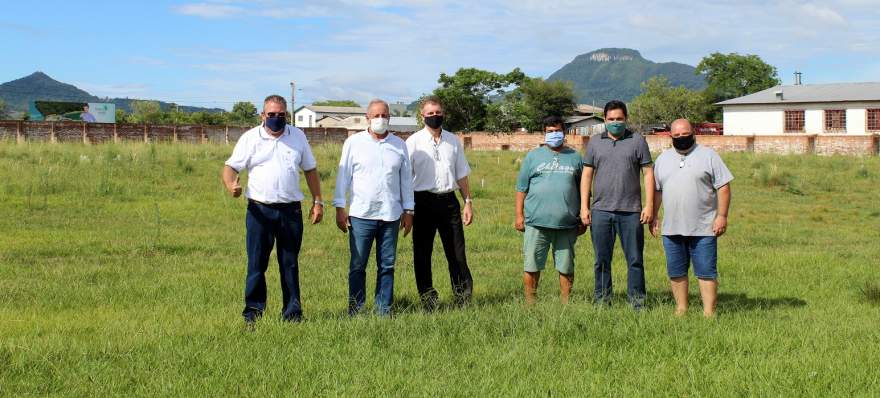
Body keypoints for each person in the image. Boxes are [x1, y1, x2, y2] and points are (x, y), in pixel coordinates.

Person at [221, 94, 324, 326]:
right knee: (257, 263)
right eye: (271, 115)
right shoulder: (250, 139)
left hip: (290, 211)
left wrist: (318, 201)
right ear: (262, 115)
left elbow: (310, 170)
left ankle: (292, 313)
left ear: (286, 115)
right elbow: (230, 167)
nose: (276, 118)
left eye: (281, 115)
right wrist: (231, 185)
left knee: (289, 263)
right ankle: (253, 314)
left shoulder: (297, 136)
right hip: (260, 211)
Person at [333, 99, 415, 316]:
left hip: (391, 215)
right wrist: (339, 207)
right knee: (358, 265)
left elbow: (406, 180)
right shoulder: (353, 143)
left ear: (389, 118)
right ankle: (356, 309)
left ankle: (383, 310)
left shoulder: (399, 145)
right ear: (367, 118)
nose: (381, 119)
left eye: (385, 115)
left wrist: (409, 210)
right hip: (361, 215)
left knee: (387, 266)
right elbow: (344, 177)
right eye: (376, 115)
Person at [651, 119, 733, 317]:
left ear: (693, 133)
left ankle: (709, 313)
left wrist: (722, 216)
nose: (681, 138)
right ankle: (681, 308)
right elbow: (657, 191)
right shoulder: (662, 159)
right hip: (672, 228)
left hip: (704, 227)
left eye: (685, 134)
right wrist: (654, 215)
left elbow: (723, 187)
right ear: (670, 136)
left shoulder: (709, 156)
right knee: (676, 271)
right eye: (676, 136)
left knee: (706, 271)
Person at [580, 100, 655, 310]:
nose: (615, 123)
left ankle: (637, 303)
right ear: (604, 120)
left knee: (635, 259)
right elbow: (587, 175)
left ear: (626, 119)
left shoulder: (637, 141)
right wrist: (584, 207)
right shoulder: (595, 143)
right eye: (611, 119)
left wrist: (648, 206)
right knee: (601, 260)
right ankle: (603, 301)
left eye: (619, 119)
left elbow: (648, 173)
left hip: (631, 212)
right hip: (601, 211)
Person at [406, 96, 474, 310]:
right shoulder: (413, 142)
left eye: (438, 112)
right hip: (422, 202)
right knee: (422, 253)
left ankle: (462, 297)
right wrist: (406, 208)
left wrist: (468, 201)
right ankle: (428, 299)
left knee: (456, 253)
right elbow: (405, 177)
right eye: (430, 113)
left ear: (443, 113)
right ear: (422, 116)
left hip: (449, 202)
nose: (435, 116)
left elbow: (461, 174)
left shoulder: (453, 141)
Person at [515, 116, 586, 304]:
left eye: (557, 130)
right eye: (550, 131)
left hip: (567, 223)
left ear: (564, 132)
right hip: (536, 222)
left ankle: (565, 303)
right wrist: (519, 215)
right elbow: (521, 188)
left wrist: (583, 216)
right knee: (531, 264)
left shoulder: (575, 157)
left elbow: (583, 189)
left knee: (566, 266)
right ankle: (530, 304)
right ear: (544, 133)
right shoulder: (533, 156)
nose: (554, 134)